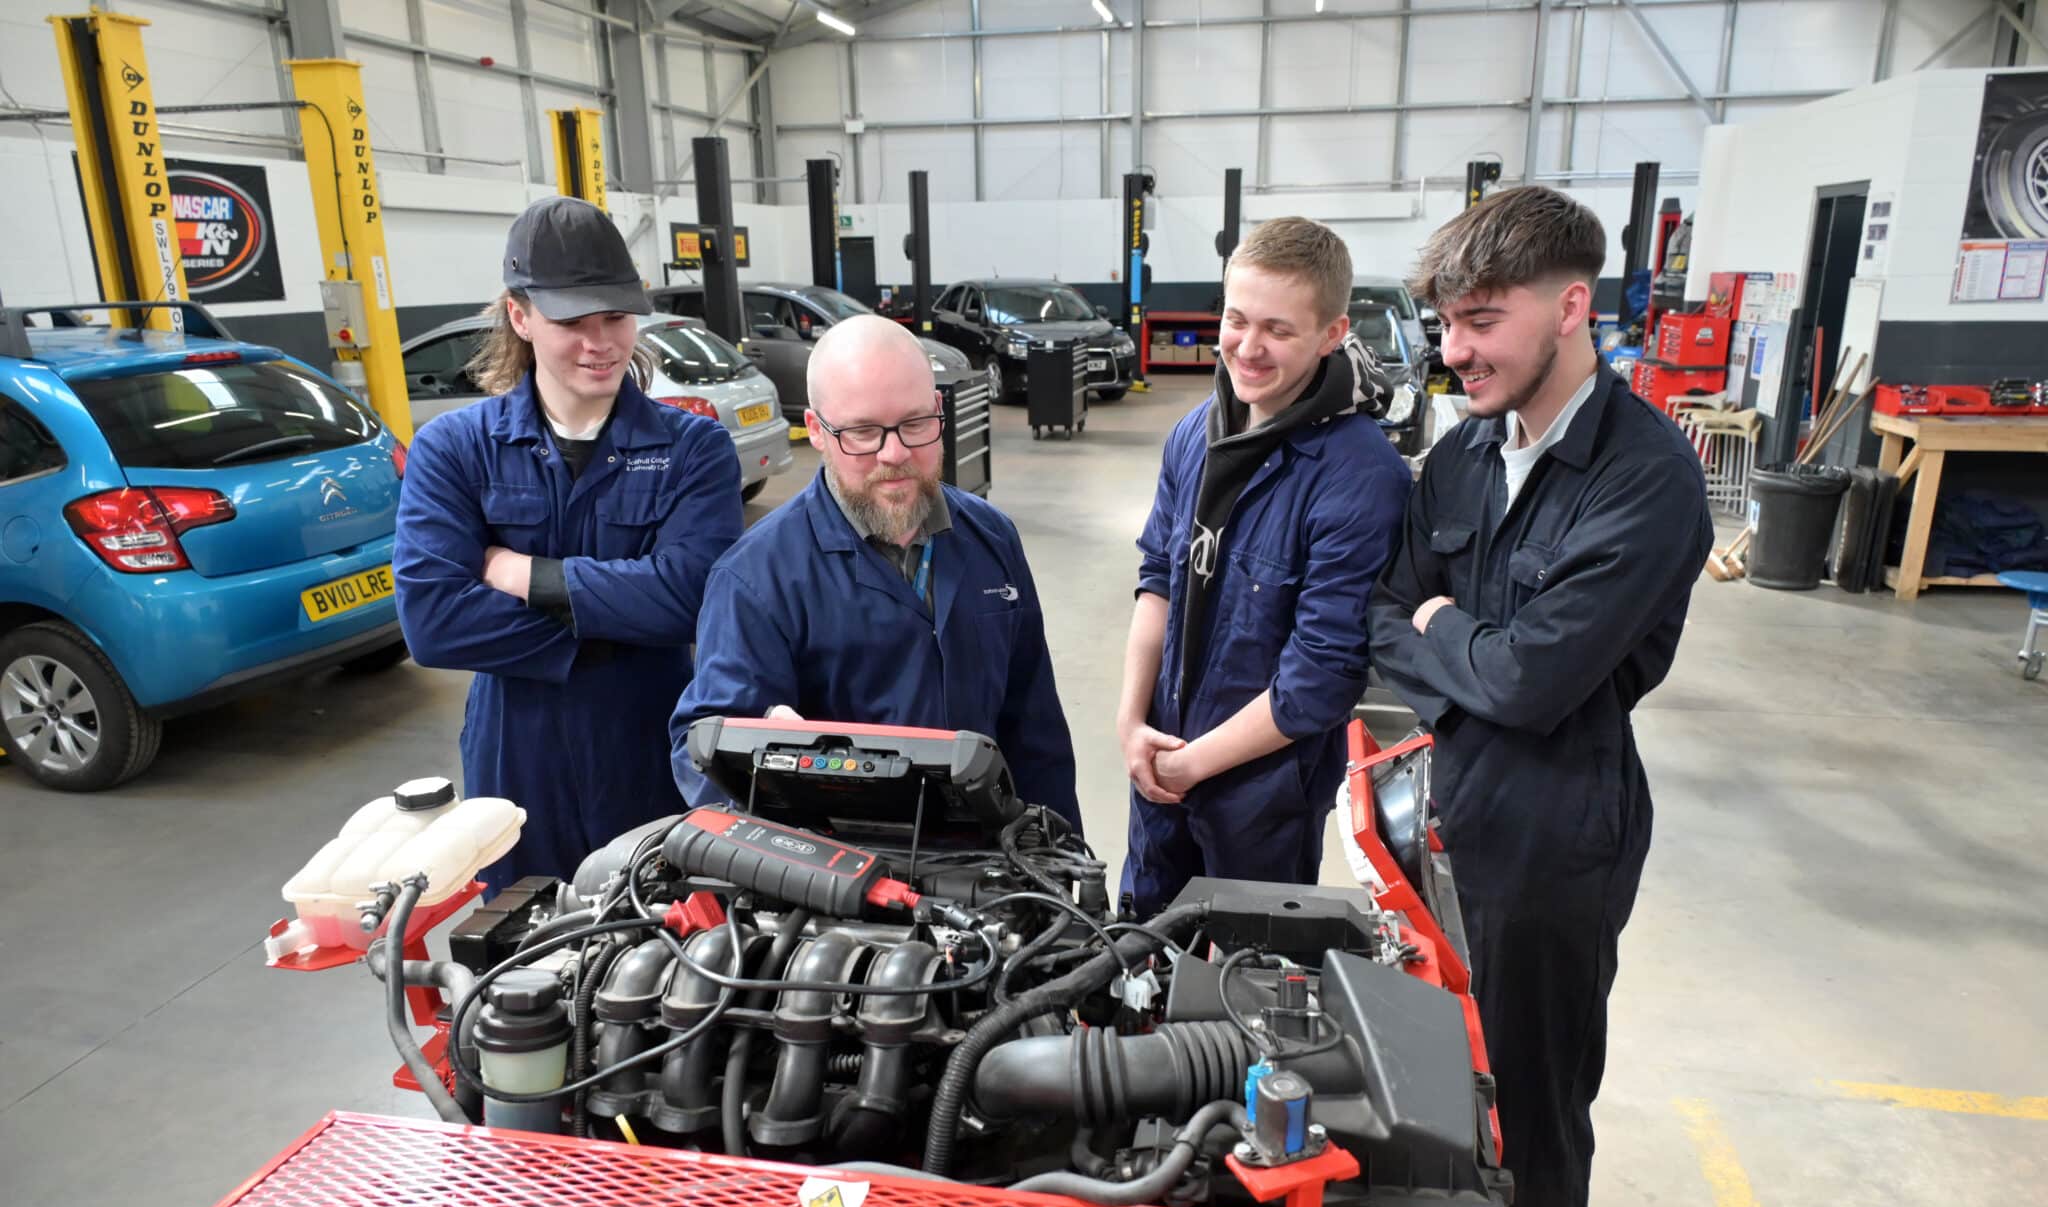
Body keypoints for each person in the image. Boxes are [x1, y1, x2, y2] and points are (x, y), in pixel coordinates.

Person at [1366, 186, 1713, 1207]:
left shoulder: (1647, 477)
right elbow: (1382, 620)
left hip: (1552, 837)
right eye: (1444, 324)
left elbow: (1531, 685)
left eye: (1478, 321)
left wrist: (1443, 631)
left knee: (1527, 1117)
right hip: (1428, 819)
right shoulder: (1460, 456)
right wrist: (1454, 634)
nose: (1451, 351)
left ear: (1571, 307)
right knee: (1424, 1088)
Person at [395, 196, 742, 894]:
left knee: (664, 951)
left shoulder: (693, 449)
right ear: (520, 316)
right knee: (525, 956)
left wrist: (519, 572)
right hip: (515, 759)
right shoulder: (455, 450)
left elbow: (693, 599)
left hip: (652, 747)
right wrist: (618, 621)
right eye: (571, 321)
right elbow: (433, 623)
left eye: (615, 315)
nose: (601, 341)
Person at [670, 315, 1080, 827]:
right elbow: (703, 757)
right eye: (863, 432)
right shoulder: (755, 579)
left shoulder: (992, 540)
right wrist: (764, 761)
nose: (896, 454)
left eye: (915, 423)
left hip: (987, 874)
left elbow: (1036, 731)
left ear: (938, 410)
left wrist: (1063, 866)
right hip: (843, 883)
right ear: (817, 432)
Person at [1117, 216, 1410, 916]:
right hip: (1161, 762)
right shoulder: (1194, 435)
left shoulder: (1361, 475)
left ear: (1332, 334)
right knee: (1136, 959)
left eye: (1278, 330)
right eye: (1236, 318)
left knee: (1246, 990)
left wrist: (1192, 765)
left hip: (1264, 792)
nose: (1247, 348)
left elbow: (1320, 675)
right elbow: (1158, 578)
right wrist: (1132, 721)